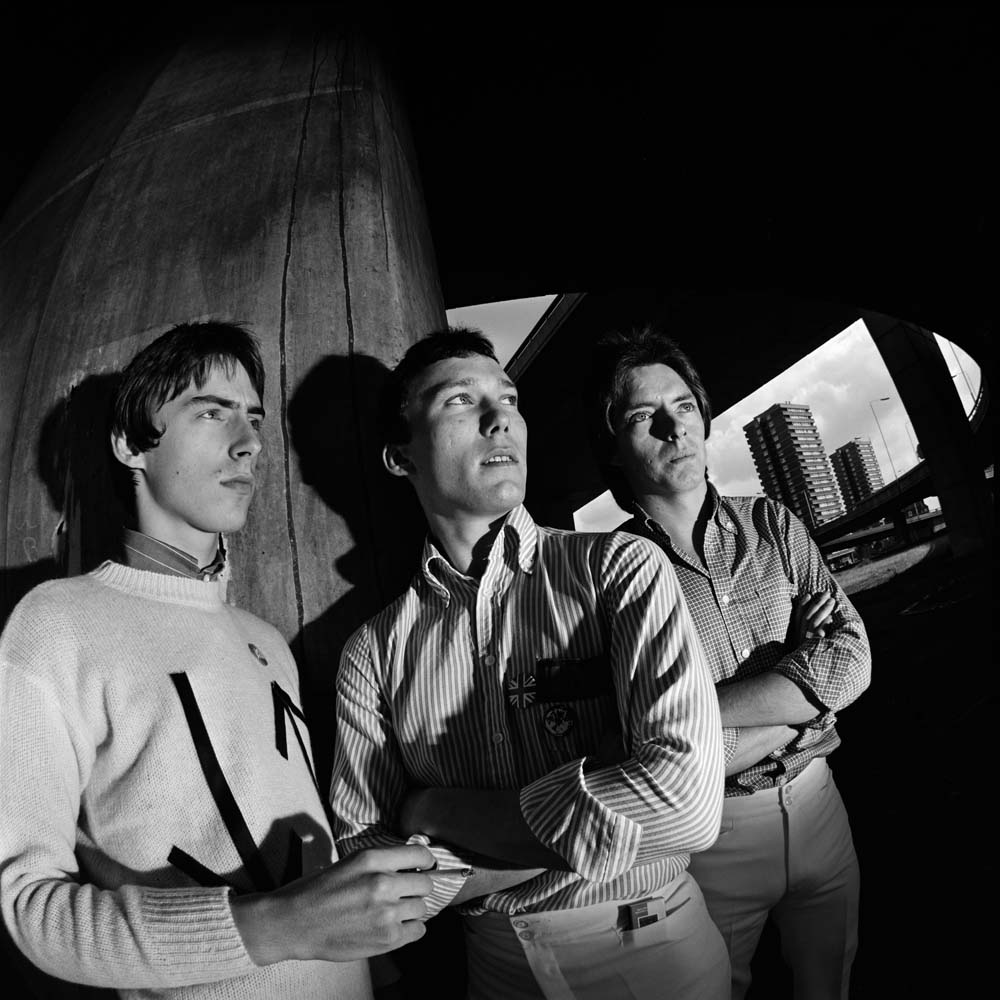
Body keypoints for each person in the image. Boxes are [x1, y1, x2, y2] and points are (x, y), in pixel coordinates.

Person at [0, 322, 436, 999]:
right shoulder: (55, 622)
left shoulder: (267, 640)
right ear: (130, 445)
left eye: (253, 419)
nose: (250, 443)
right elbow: (30, 907)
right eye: (211, 412)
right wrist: (276, 928)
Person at [330, 327, 730, 1000]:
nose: (500, 419)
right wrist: (598, 792)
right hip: (493, 968)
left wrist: (435, 809)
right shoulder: (372, 651)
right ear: (400, 457)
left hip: (655, 948)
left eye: (509, 399)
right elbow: (372, 875)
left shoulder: (618, 570)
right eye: (461, 400)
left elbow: (686, 809)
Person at [586, 324, 871, 1000]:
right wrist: (802, 699)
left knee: (831, 981)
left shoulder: (773, 523)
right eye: (643, 416)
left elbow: (851, 659)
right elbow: (639, 744)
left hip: (820, 803)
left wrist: (691, 715)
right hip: (710, 836)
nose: (674, 427)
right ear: (613, 448)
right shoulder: (605, 576)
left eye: (684, 406)